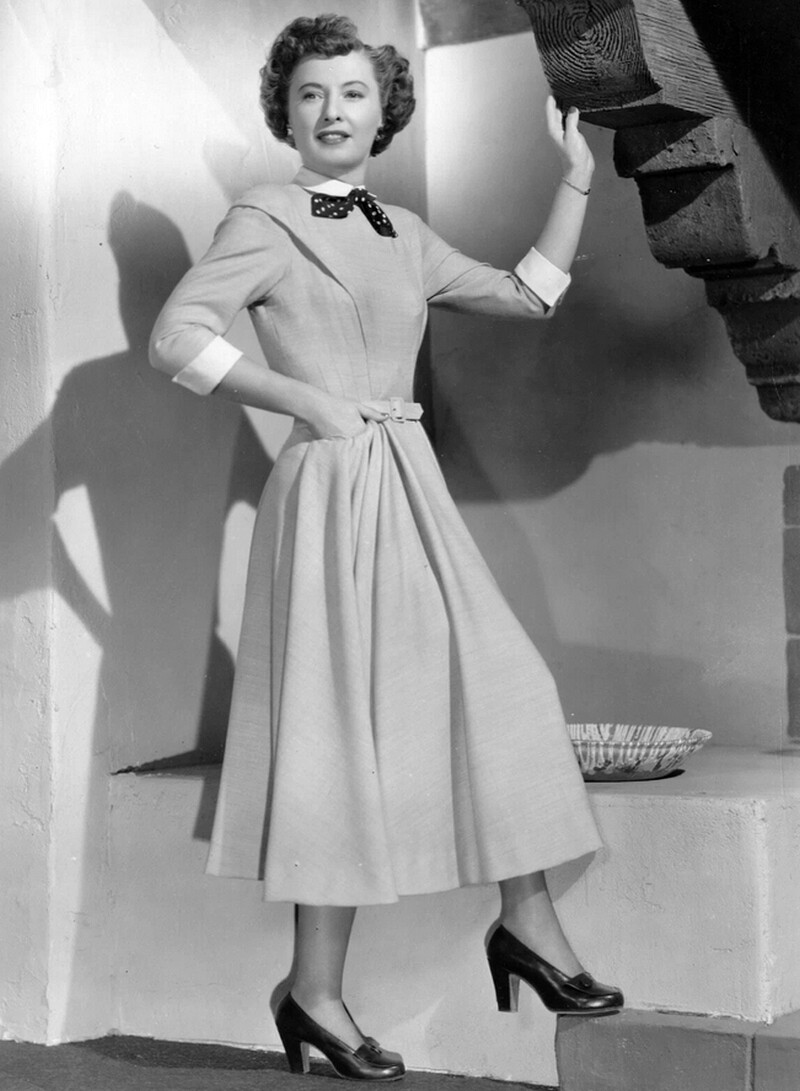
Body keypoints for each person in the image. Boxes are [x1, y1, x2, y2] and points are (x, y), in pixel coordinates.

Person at [149, 12, 622, 1082]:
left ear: (383, 113)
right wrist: (302, 401)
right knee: (334, 737)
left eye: (352, 93)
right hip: (328, 488)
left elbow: (528, 295)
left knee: (499, 684)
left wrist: (574, 183)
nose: (332, 111)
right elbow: (176, 336)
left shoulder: (401, 230)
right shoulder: (264, 218)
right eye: (311, 94)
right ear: (286, 113)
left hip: (406, 482)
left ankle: (527, 922)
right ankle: (314, 993)